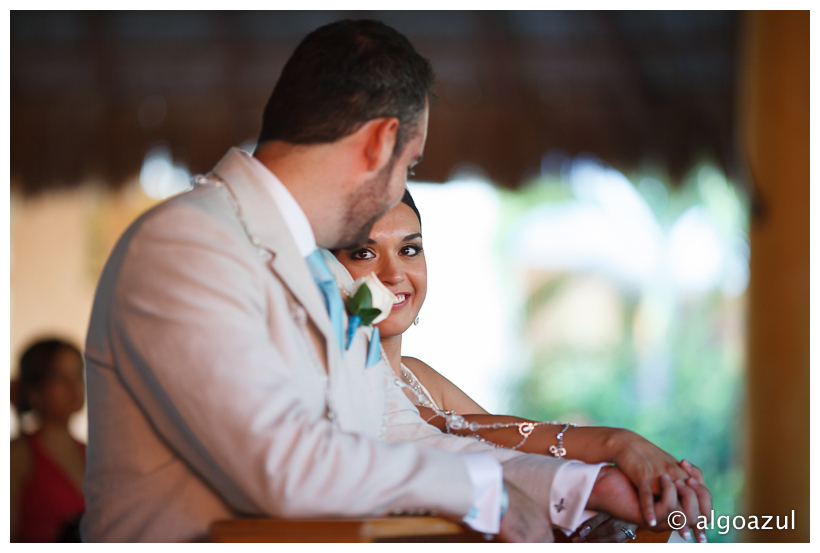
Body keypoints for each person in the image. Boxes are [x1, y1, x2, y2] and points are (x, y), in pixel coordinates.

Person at [82, 19, 690, 543]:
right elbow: (284, 464)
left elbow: (402, 434)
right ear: (380, 142)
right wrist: (490, 496)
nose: (403, 186)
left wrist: (585, 486)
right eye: (412, 163)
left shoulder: (321, 273)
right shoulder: (187, 243)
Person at [333, 189, 712, 543]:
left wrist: (637, 463)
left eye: (409, 250)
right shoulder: (340, 382)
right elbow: (438, 430)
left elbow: (503, 446)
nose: (395, 274)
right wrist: (613, 443)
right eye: (364, 254)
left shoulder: (419, 374)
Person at [10, 338, 86, 542]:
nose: (74, 386)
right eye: (60, 378)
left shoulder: (93, 452)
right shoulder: (17, 456)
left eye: (78, 374)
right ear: (34, 390)